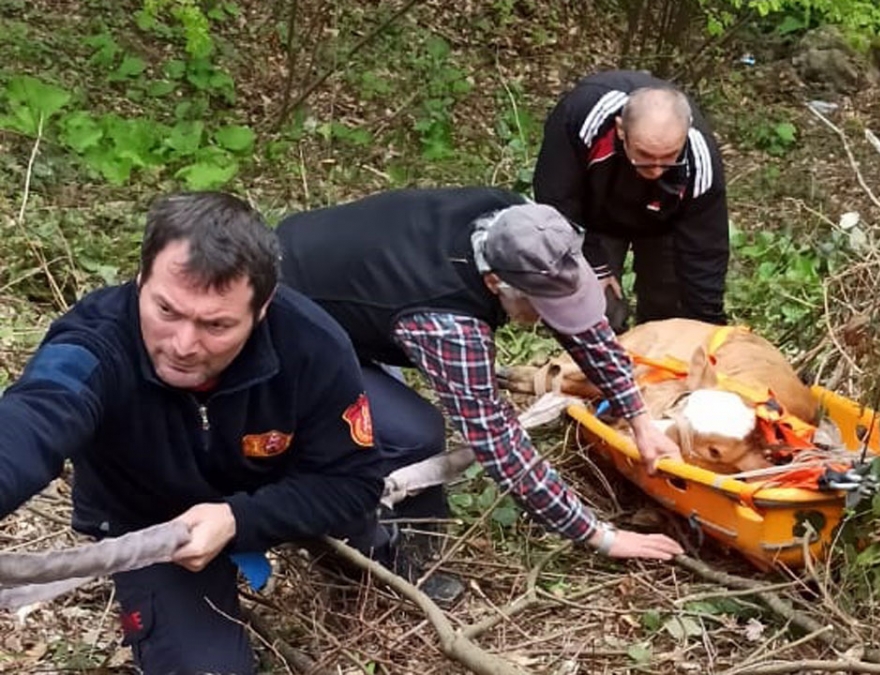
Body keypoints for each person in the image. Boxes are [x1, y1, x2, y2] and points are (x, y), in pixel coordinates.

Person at [0, 192, 388, 674]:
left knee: (374, 527)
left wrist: (238, 519)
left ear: (262, 308)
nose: (184, 345)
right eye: (166, 311)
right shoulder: (94, 342)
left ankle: (368, 560)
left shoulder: (312, 345)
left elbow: (353, 481)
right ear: (141, 279)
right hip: (155, 526)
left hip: (274, 486)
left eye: (217, 325)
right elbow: (34, 417)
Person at [275, 187, 686, 575]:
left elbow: (584, 329)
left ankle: (414, 532)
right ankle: (374, 558)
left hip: (341, 276)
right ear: (495, 284)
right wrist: (600, 536)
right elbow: (499, 443)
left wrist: (639, 418)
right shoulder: (446, 323)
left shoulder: (524, 227)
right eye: (539, 308)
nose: (546, 321)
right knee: (411, 433)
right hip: (284, 316)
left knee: (403, 418)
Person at [534, 70, 731, 332]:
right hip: (594, 214)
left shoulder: (699, 156)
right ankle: (603, 363)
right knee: (595, 306)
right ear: (620, 130)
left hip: (665, 220)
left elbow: (705, 250)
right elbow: (557, 201)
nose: (657, 169)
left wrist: (708, 329)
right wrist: (594, 265)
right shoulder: (581, 117)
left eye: (669, 156)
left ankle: (654, 360)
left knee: (671, 311)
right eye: (645, 155)